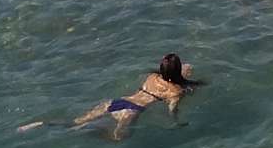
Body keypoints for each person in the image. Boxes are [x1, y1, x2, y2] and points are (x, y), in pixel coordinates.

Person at [68, 54, 204, 138]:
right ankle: (91, 129)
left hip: (118, 101)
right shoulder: (175, 91)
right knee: (118, 138)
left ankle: (70, 126)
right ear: (178, 72)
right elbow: (172, 110)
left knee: (77, 122)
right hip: (132, 110)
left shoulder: (153, 77)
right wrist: (176, 122)